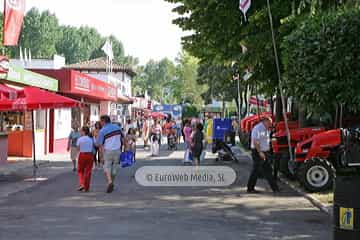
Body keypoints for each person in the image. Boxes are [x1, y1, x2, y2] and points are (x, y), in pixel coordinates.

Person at [247, 117, 280, 193]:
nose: (270, 124)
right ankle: (250, 188)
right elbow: (256, 141)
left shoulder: (266, 128)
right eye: (269, 123)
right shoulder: (258, 128)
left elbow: (265, 139)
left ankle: (275, 188)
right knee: (256, 170)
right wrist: (260, 152)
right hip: (258, 152)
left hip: (264, 151)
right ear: (265, 121)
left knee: (267, 170)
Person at [97, 115, 123, 193]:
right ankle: (112, 182)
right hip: (118, 150)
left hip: (107, 151)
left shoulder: (102, 131)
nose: (100, 123)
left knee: (106, 167)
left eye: (101, 121)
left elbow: (100, 145)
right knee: (114, 168)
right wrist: (126, 149)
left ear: (103, 121)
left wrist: (101, 157)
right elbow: (123, 138)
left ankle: (110, 182)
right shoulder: (117, 127)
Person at [76, 126, 95, 192]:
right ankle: (86, 187)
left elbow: (78, 148)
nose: (80, 132)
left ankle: (82, 184)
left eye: (81, 131)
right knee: (88, 171)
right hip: (90, 155)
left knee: (80, 170)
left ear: (84, 132)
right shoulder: (91, 139)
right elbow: (93, 146)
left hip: (82, 155)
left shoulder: (80, 139)